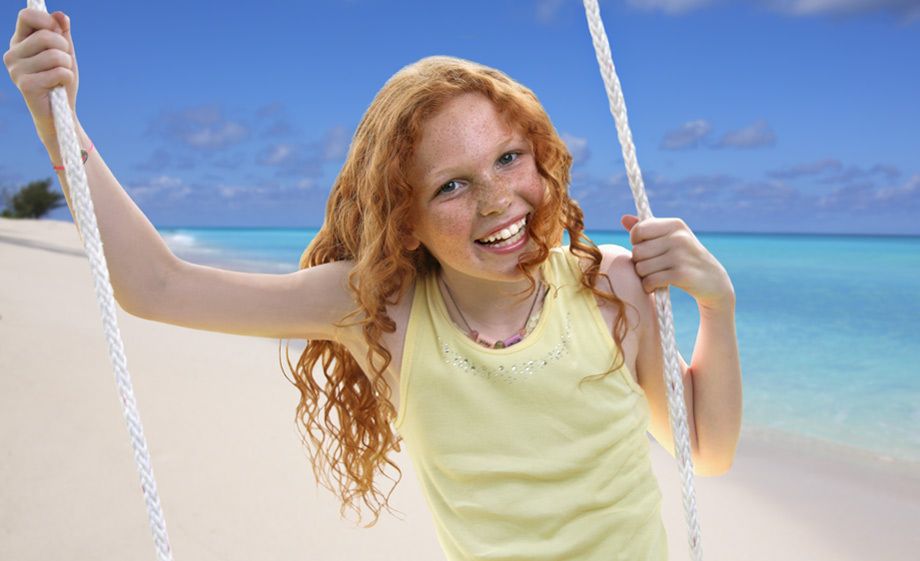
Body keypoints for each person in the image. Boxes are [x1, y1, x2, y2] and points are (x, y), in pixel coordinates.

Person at [5, 8, 742, 560]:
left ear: (544, 155)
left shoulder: (611, 285)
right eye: (452, 185)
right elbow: (157, 286)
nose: (496, 201)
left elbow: (704, 446)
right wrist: (54, 118)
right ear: (406, 219)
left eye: (510, 159)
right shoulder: (380, 309)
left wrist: (717, 305)